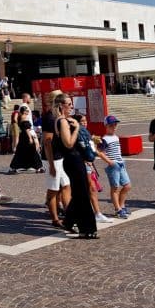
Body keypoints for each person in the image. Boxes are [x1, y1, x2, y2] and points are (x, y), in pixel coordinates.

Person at [54, 93, 97, 238]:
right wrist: (77, 128)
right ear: (61, 106)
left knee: (79, 193)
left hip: (75, 159)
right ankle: (87, 229)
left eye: (72, 104)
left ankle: (68, 221)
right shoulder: (62, 122)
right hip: (72, 159)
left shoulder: (66, 120)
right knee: (83, 194)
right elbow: (69, 143)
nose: (72, 107)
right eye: (69, 104)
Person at [75, 114, 112, 223]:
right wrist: (108, 160)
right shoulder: (78, 133)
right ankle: (95, 213)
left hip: (88, 163)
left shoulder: (85, 134)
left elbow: (92, 150)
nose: (84, 123)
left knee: (91, 188)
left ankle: (96, 212)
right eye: (82, 121)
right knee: (90, 187)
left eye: (86, 121)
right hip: (83, 163)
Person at [42, 89, 71, 228]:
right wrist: (52, 165)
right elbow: (47, 142)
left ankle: (69, 213)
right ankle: (54, 219)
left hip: (60, 157)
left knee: (65, 185)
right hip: (52, 159)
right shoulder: (49, 117)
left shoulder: (58, 116)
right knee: (53, 188)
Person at [99, 115, 131, 218]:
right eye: (111, 125)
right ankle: (118, 209)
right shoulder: (105, 139)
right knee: (115, 188)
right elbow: (101, 153)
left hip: (121, 163)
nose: (114, 126)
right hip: (113, 165)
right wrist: (109, 162)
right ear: (106, 126)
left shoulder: (116, 137)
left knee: (127, 186)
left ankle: (122, 206)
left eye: (115, 124)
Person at [8, 105, 44, 173]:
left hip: (23, 136)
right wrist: (30, 138)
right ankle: (38, 167)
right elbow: (26, 129)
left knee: (20, 152)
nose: (28, 112)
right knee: (32, 151)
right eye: (26, 110)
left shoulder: (20, 117)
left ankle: (14, 167)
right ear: (23, 111)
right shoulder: (24, 118)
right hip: (26, 137)